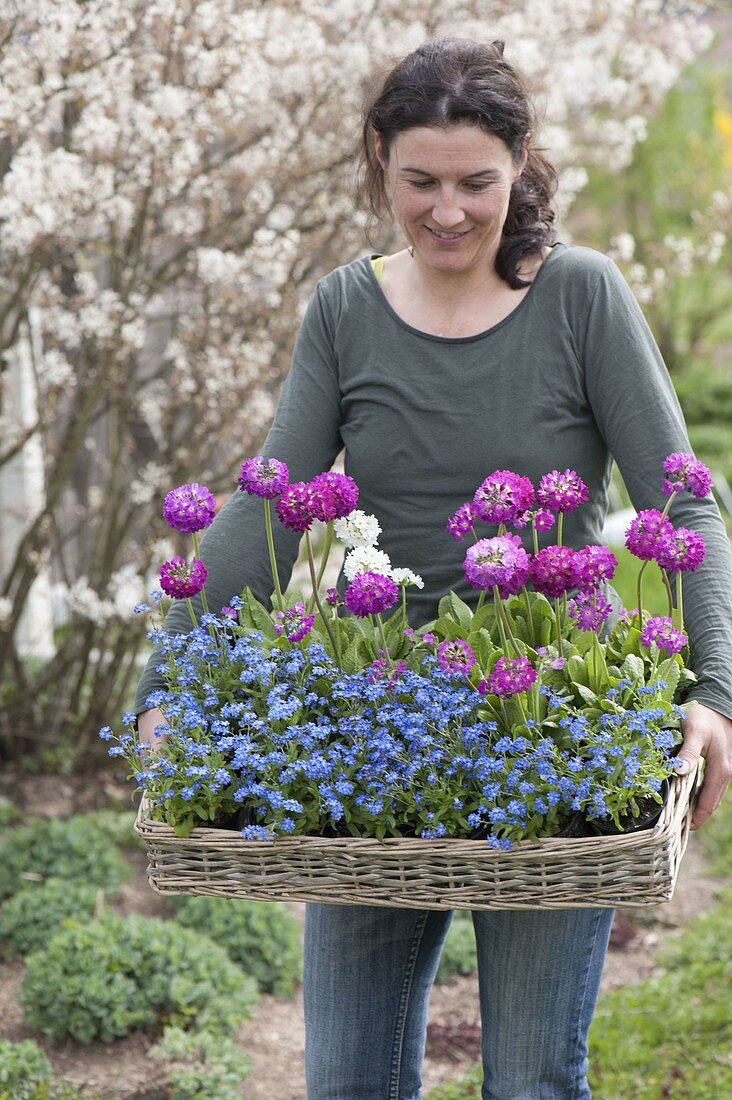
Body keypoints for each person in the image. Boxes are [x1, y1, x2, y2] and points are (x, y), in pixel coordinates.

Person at [135, 38, 732, 1100]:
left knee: (534, 1079)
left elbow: (685, 496)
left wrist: (715, 692)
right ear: (379, 163)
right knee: (350, 1078)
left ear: (521, 164)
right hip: (380, 722)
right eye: (420, 181)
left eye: (476, 183)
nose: (448, 210)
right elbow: (263, 510)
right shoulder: (344, 310)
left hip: (551, 719)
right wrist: (160, 685)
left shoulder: (583, 297)